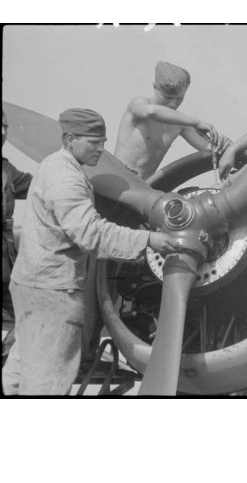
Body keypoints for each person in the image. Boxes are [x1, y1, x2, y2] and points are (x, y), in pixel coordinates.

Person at [2, 108, 183, 395]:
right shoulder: (67, 179)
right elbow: (90, 233)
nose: (102, 149)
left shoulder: (55, 165)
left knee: (19, 369)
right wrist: (147, 239)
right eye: (94, 142)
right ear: (71, 139)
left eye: (104, 141)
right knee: (49, 378)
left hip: (31, 285)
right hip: (53, 292)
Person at [115, 61, 231, 180]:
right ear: (154, 87)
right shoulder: (139, 103)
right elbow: (150, 112)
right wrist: (197, 122)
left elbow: (209, 149)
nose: (173, 103)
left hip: (144, 187)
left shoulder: (180, 123)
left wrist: (225, 145)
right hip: (118, 180)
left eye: (179, 98)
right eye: (168, 97)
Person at [2, 110, 33, 363]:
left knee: (27, 312)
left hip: (5, 258)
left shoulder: (5, 169)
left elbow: (35, 185)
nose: (3, 133)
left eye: (5, 127)